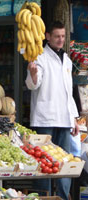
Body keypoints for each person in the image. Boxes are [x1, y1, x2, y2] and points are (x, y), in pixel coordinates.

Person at [25, 21, 79, 200]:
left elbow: (68, 92)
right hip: (44, 118)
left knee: (64, 163)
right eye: (57, 36)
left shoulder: (68, 61)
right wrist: (33, 74)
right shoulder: (39, 56)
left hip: (64, 119)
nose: (60, 40)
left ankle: (63, 197)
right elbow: (33, 84)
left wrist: (74, 118)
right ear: (47, 36)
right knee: (43, 164)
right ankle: (42, 197)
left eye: (63, 36)